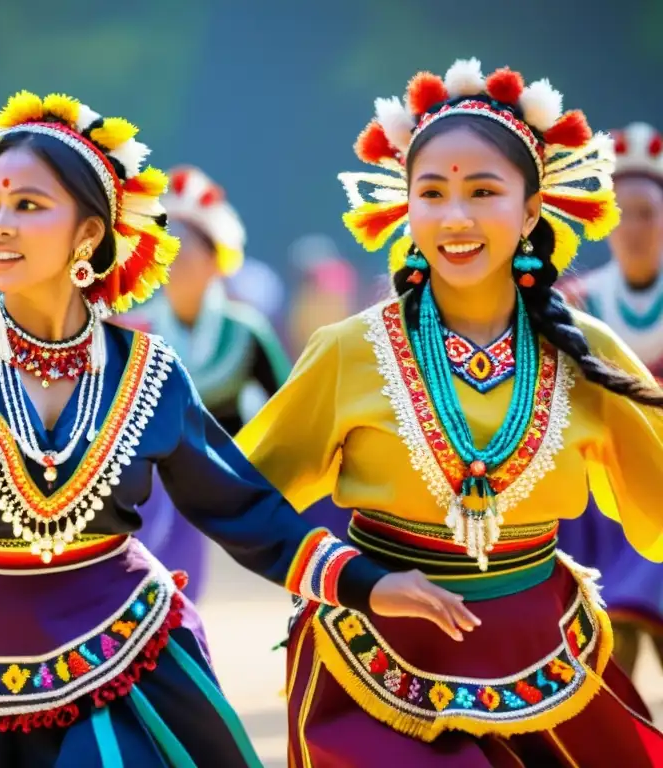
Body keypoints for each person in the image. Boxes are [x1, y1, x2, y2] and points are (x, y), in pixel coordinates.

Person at [0, 91, 474, 767]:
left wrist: (372, 584)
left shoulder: (147, 369)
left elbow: (243, 508)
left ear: (88, 235)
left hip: (122, 655)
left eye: (29, 205)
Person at [238, 60, 663, 766]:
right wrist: (354, 578)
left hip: (545, 649)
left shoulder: (587, 353)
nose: (455, 217)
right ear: (404, 207)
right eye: (431, 192)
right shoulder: (349, 351)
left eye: (484, 191)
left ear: (531, 211)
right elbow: (243, 501)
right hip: (372, 660)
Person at [124, 166, 291, 600]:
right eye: (166, 248)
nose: (174, 259)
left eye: (186, 247)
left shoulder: (247, 330)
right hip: (157, 488)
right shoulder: (139, 331)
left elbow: (289, 411)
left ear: (216, 258)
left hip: (228, 479)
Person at [556, 122, 663, 680]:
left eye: (649, 212)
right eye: (624, 214)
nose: (636, 228)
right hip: (605, 504)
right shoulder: (576, 303)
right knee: (607, 659)